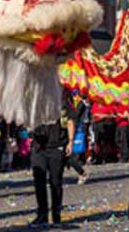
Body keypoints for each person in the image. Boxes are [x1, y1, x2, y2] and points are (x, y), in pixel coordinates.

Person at [29, 92, 76, 228]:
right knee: (39, 181)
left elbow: (70, 121)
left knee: (55, 182)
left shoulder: (62, 100)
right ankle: (42, 215)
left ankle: (56, 216)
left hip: (57, 147)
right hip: (39, 147)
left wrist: (70, 142)